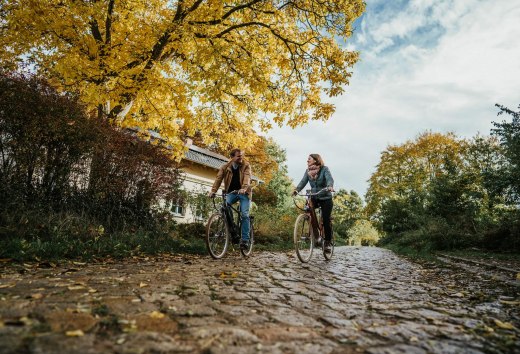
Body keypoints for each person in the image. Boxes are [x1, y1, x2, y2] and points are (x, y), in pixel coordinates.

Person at [209, 148, 252, 249]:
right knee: (224, 208)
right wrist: (213, 191)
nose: (241, 158)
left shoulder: (246, 165)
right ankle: (233, 232)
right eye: (238, 156)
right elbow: (218, 179)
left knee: (245, 214)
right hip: (231, 193)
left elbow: (247, 177)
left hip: (244, 193)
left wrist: (244, 188)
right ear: (232, 157)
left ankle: (245, 240)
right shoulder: (225, 167)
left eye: (242, 156)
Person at [292, 154, 334, 252]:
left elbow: (329, 179)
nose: (307, 161)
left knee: (326, 220)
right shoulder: (308, 171)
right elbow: (303, 182)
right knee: (308, 208)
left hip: (325, 197)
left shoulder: (324, 169)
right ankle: (315, 236)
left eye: (309, 159)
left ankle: (327, 242)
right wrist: (296, 190)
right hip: (314, 196)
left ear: (315, 160)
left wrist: (330, 186)